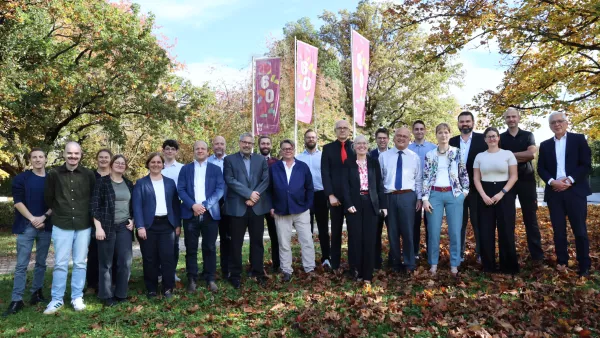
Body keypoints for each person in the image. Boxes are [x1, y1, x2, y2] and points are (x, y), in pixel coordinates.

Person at [43, 142, 96, 314]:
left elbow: (93, 198)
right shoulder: (54, 174)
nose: (73, 157)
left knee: (80, 263)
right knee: (60, 263)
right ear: (64, 154)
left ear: (81, 155)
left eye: (76, 154)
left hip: (83, 225)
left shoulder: (89, 174)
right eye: (70, 153)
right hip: (62, 224)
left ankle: (76, 297)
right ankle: (57, 299)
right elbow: (49, 198)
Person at [538, 112, 592, 277]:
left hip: (575, 191)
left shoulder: (579, 139)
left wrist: (569, 180)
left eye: (560, 121)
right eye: (553, 122)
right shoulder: (545, 145)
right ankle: (562, 261)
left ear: (566, 123)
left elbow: (586, 165)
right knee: (558, 230)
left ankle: (584, 265)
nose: (557, 124)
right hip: (554, 193)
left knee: (580, 230)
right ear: (550, 126)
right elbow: (541, 168)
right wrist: (552, 181)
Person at [4, 148, 53, 316]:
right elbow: (18, 202)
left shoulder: (52, 179)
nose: (38, 160)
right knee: (21, 264)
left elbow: (57, 202)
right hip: (26, 226)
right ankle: (16, 299)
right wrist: (33, 219)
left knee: (41, 262)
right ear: (30, 160)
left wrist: (44, 217)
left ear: (46, 159)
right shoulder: (21, 179)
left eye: (41, 157)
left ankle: (36, 293)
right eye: (34, 157)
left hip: (46, 226)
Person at [223, 133, 270, 288]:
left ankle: (257, 271)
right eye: (244, 142)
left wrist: (254, 196)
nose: (247, 145)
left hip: (257, 207)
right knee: (236, 243)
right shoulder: (229, 160)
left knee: (257, 242)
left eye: (250, 143)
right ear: (239, 143)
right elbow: (230, 180)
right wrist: (248, 193)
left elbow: (265, 180)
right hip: (238, 207)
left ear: (252, 145)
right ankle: (235, 274)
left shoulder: (260, 159)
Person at [421, 124, 469, 277]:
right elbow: (426, 177)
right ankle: (433, 263)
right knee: (433, 232)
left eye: (446, 132)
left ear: (449, 134)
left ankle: (454, 264)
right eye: (440, 133)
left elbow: (463, 173)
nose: (443, 135)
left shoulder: (457, 152)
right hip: (434, 194)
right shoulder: (430, 155)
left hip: (453, 194)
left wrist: (465, 192)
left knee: (455, 231)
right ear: (436, 135)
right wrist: (425, 198)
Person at [177, 141, 224, 293]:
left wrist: (204, 206)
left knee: (209, 247)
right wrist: (193, 205)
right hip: (191, 214)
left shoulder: (215, 169)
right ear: (193, 151)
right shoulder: (186, 169)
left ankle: (210, 278)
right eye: (197, 148)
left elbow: (220, 190)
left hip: (210, 213)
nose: (200, 150)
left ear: (207, 151)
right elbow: (181, 189)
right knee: (191, 248)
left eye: (203, 148)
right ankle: (192, 278)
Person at [133, 153, 181, 299]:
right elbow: (137, 206)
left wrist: (177, 224)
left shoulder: (170, 183)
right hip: (149, 226)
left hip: (167, 225)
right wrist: (140, 226)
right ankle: (151, 289)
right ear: (148, 164)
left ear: (162, 164)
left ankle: (168, 288)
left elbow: (175, 205)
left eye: (159, 162)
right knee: (150, 258)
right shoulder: (141, 183)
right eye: (153, 162)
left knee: (168, 257)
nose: (156, 164)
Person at [500, 107, 544, 264]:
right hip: (506, 181)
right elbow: (498, 158)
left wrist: (508, 156)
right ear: (505, 119)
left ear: (518, 118)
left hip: (526, 181)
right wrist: (519, 156)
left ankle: (537, 256)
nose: (511, 119)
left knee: (530, 218)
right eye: (508, 117)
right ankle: (509, 256)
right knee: (507, 219)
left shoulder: (528, 135)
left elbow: (531, 154)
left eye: (514, 116)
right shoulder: (500, 138)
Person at [473, 127, 519, 274]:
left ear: (499, 138)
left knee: (506, 230)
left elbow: (514, 176)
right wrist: (483, 195)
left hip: (504, 193)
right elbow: (476, 178)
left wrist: (501, 193)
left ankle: (508, 266)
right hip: (485, 194)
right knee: (486, 231)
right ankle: (489, 266)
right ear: (485, 139)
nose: (492, 139)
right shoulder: (479, 156)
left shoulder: (508, 154)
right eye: (489, 136)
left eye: (494, 136)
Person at [342, 135, 386, 287]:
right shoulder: (348, 163)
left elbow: (380, 184)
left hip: (371, 203)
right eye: (358, 143)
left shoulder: (374, 162)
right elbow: (344, 186)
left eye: (364, 143)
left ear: (368, 146)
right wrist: (348, 204)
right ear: (354, 146)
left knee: (370, 239)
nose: (361, 146)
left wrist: (383, 205)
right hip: (354, 204)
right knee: (356, 239)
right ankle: (357, 271)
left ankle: (367, 274)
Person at [91, 155, 134, 306]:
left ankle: (121, 293)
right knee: (106, 263)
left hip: (124, 227)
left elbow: (132, 205)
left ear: (125, 166)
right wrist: (98, 228)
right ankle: (106, 295)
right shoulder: (102, 182)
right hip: (106, 226)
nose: (120, 165)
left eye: (123, 163)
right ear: (111, 164)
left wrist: (132, 220)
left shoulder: (128, 183)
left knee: (125, 261)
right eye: (117, 163)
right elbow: (95, 206)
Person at [269, 139, 315, 281]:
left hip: (301, 210)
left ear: (294, 149)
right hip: (281, 210)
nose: (287, 150)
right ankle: (286, 270)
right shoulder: (274, 168)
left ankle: (309, 268)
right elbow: (268, 189)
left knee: (307, 240)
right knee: (283, 242)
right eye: (284, 148)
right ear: (281, 151)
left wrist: (307, 204)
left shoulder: (302, 167)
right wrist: (271, 206)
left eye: (290, 148)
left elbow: (309, 187)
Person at [378, 127, 422, 273]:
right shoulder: (384, 156)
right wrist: (382, 200)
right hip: (389, 196)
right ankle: (395, 263)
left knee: (408, 231)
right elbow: (380, 180)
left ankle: (409, 263)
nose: (401, 138)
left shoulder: (414, 157)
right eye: (398, 135)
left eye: (405, 136)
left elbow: (418, 180)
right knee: (393, 231)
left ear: (409, 139)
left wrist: (419, 198)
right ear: (394, 137)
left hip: (408, 196)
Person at [449, 111, 487, 262]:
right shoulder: (451, 141)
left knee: (478, 222)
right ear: (458, 123)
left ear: (473, 123)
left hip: (477, 188)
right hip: (457, 189)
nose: (464, 124)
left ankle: (480, 253)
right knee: (459, 222)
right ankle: (459, 253)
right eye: (462, 121)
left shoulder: (482, 140)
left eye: (467, 121)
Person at [321, 120, 353, 271]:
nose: (342, 130)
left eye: (345, 128)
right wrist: (330, 195)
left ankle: (354, 264)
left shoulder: (356, 147)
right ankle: (335, 265)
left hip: (352, 198)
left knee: (354, 232)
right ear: (335, 131)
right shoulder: (327, 149)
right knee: (336, 232)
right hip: (335, 198)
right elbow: (325, 173)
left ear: (349, 130)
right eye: (339, 128)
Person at [296, 129, 331, 269]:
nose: (311, 139)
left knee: (323, 228)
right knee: (306, 230)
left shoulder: (323, 156)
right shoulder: (298, 158)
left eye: (313, 137)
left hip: (321, 194)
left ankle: (326, 258)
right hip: (305, 196)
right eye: (308, 137)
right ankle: (308, 260)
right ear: (304, 139)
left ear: (317, 139)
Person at [86, 149, 113, 295]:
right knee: (94, 253)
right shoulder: (91, 176)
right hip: (93, 220)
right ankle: (92, 284)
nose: (103, 160)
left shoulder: (114, 175)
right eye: (101, 157)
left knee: (111, 253)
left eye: (106, 157)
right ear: (97, 159)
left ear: (111, 159)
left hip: (112, 220)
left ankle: (110, 282)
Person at [161, 139, 184, 283]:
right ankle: (158, 272)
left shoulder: (182, 168)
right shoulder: (156, 165)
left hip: (175, 207)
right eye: (167, 148)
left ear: (176, 151)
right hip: (158, 208)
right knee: (158, 243)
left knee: (174, 242)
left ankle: (172, 271)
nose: (170, 151)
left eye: (173, 149)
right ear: (163, 150)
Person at [207, 135, 230, 278]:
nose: (219, 146)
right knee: (210, 239)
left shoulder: (231, 161)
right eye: (216, 144)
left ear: (225, 146)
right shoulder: (207, 162)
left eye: (221, 143)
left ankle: (226, 269)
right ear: (213, 146)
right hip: (212, 204)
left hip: (228, 203)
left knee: (227, 238)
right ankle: (209, 270)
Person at [369, 128, 391, 269]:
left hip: (389, 196)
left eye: (384, 138)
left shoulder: (393, 154)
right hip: (374, 199)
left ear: (388, 139)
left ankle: (392, 259)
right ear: (376, 139)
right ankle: (376, 260)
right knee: (375, 231)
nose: (382, 140)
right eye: (379, 138)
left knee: (392, 230)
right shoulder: (369, 155)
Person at [258, 135, 280, 273]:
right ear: (259, 145)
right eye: (262, 143)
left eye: (267, 143)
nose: (265, 146)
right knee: (256, 237)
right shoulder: (253, 161)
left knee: (275, 235)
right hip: (257, 204)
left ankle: (277, 264)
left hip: (273, 204)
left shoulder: (277, 162)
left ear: (271, 145)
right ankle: (257, 266)